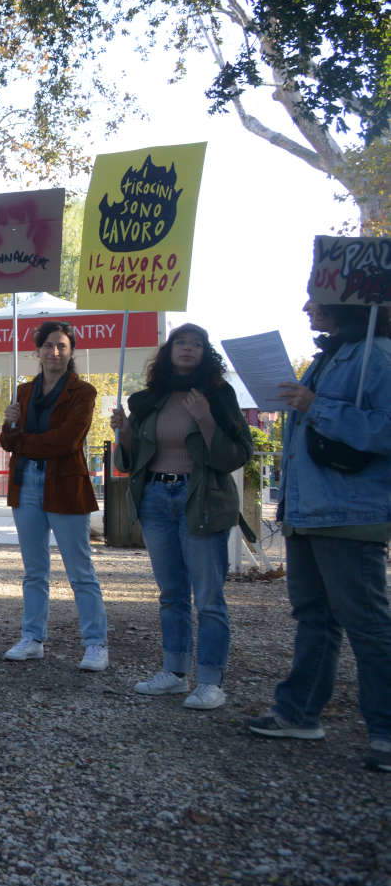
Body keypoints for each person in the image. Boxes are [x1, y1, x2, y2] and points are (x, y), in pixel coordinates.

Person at [248, 300, 391, 774]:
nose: (307, 307)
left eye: (318, 298)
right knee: (314, 616)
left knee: (368, 623)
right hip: (308, 508)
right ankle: (299, 713)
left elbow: (385, 429)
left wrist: (317, 406)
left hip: (348, 511)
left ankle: (386, 732)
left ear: (348, 305)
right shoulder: (331, 356)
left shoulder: (380, 355)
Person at [112, 324, 251, 710]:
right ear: (169, 351)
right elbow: (133, 456)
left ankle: (210, 680)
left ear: (205, 354)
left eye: (196, 344)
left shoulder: (218, 396)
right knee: (171, 594)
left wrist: (206, 418)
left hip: (201, 499)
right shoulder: (149, 400)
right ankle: (173, 673)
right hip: (157, 496)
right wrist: (123, 433)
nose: (188, 349)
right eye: (181, 343)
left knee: (208, 596)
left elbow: (237, 454)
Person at [0, 320, 110, 671]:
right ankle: (32, 638)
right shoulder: (23, 392)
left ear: (72, 351)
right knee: (34, 570)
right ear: (38, 350)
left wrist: (23, 441)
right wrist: (9, 424)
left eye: (62, 346)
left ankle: (95, 643)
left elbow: (67, 441)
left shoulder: (83, 392)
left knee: (80, 571)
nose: (55, 352)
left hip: (64, 484)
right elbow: (7, 442)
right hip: (26, 483)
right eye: (49, 345)